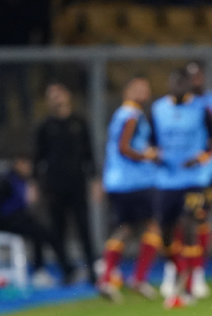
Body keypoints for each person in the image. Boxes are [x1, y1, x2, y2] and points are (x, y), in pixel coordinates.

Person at [151, 68, 212, 307]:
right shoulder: (157, 109)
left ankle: (189, 281)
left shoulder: (202, 108)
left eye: (181, 84)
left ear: (188, 87)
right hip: (166, 179)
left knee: (189, 225)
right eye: (172, 83)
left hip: (194, 179)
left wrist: (203, 158)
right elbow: (150, 140)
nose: (176, 88)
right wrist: (152, 154)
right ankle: (176, 270)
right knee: (165, 234)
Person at [98, 77, 161, 302]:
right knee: (153, 227)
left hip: (117, 181)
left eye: (145, 88)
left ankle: (106, 279)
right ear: (127, 91)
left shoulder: (119, 114)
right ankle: (139, 279)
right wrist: (148, 155)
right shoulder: (132, 115)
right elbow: (123, 148)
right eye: (138, 88)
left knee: (124, 228)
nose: (143, 92)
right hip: (135, 181)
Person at [33, 82, 100, 284]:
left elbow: (89, 153)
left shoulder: (79, 123)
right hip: (54, 185)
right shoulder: (45, 126)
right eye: (51, 95)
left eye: (58, 94)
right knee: (57, 230)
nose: (56, 99)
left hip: (78, 183)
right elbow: (38, 158)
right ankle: (67, 271)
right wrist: (34, 184)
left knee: (84, 228)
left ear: (67, 95)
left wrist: (96, 179)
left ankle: (93, 271)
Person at [0, 154, 74, 284]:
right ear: (18, 163)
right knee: (38, 232)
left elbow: (26, 204)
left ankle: (65, 268)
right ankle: (39, 270)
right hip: (7, 221)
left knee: (46, 232)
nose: (28, 167)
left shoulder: (25, 181)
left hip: (20, 218)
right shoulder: (7, 180)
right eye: (25, 163)